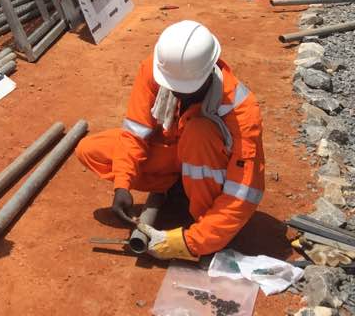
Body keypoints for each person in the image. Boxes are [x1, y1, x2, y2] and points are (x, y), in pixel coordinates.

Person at [76, 20, 265, 260]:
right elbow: (135, 133)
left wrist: (189, 243)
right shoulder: (158, 71)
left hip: (205, 157)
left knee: (199, 132)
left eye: (183, 89)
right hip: (173, 155)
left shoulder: (241, 111)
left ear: (209, 71)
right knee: (91, 150)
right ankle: (176, 188)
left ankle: (205, 223)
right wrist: (122, 183)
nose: (175, 92)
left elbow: (243, 192)